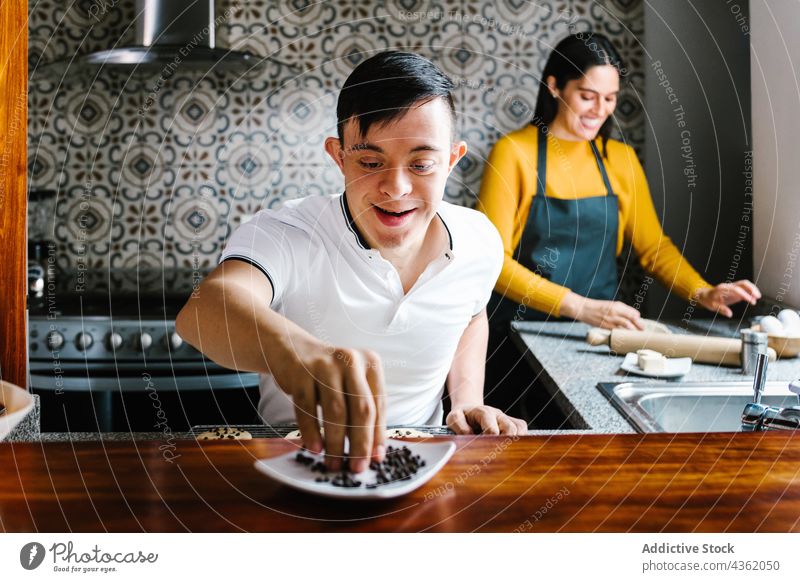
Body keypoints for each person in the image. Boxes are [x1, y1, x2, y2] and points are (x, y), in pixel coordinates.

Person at [176, 51, 527, 473]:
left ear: (452, 159)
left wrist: (467, 399)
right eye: (371, 162)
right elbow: (204, 309)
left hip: (425, 462)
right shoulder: (284, 232)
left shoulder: (479, 239)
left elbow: (471, 315)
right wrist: (296, 350)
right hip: (294, 459)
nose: (396, 188)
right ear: (339, 156)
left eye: (421, 164)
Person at [477, 33, 760, 417]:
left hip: (593, 339)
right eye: (587, 96)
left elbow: (653, 247)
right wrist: (580, 307)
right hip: (515, 338)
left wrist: (702, 292)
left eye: (609, 98)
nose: (599, 110)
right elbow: (493, 264)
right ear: (555, 86)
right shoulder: (514, 153)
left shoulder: (621, 161)